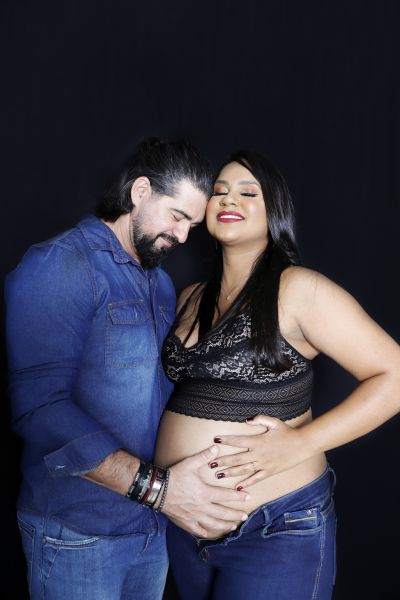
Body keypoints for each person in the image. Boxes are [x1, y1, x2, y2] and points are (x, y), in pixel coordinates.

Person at [5, 138, 251, 600]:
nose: (182, 236)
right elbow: (38, 407)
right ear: (140, 192)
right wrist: (160, 490)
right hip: (78, 533)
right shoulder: (62, 264)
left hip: (152, 529)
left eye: (192, 225)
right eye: (177, 216)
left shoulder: (161, 283)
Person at [155, 150, 400, 599]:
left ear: (275, 211)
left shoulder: (299, 289)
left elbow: (395, 376)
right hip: (184, 529)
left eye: (249, 192)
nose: (230, 199)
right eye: (219, 191)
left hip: (276, 529)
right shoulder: (190, 296)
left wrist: (300, 443)